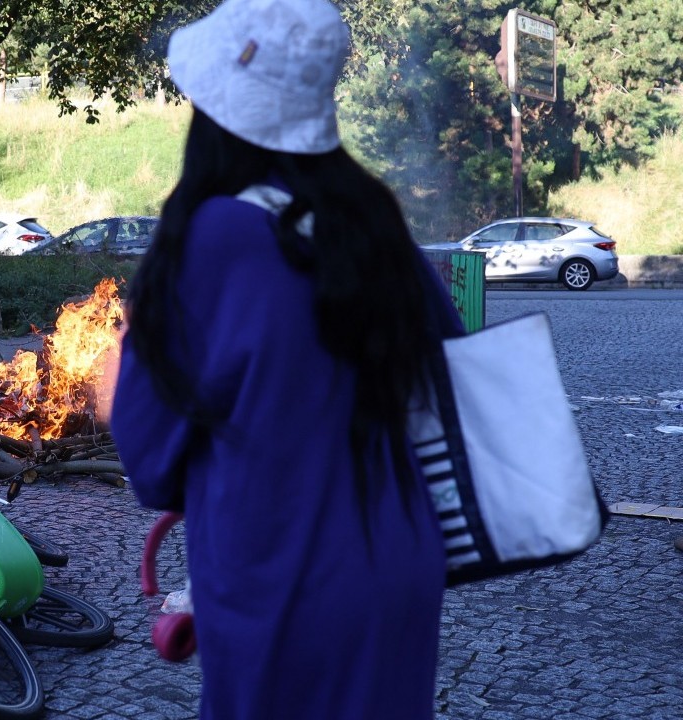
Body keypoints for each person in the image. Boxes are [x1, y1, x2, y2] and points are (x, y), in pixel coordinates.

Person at [109, 0, 463, 717]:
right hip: (402, 570)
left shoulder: (214, 237)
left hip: (278, 575)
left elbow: (149, 462)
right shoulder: (375, 226)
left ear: (216, 115)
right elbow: (455, 380)